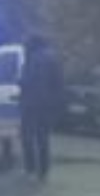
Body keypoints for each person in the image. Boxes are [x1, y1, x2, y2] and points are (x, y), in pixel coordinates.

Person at [17, 33, 65, 181]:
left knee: (27, 138)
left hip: (31, 104)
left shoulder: (32, 59)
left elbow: (26, 81)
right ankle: (43, 171)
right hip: (46, 105)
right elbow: (59, 83)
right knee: (43, 139)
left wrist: (19, 82)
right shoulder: (53, 58)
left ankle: (30, 168)